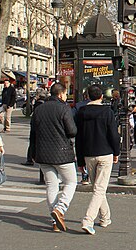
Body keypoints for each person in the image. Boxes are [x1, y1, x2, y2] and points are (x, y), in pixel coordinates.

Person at [28, 82, 77, 232]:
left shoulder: (39, 109)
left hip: (42, 152)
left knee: (51, 185)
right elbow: (72, 131)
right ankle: (60, 209)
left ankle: (54, 221)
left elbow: (33, 133)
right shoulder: (63, 108)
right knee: (71, 181)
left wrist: (33, 153)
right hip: (62, 152)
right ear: (61, 94)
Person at [74, 85, 120, 235]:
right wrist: (116, 152)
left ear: (87, 96)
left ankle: (105, 217)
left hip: (88, 153)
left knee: (97, 188)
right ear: (101, 97)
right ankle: (88, 220)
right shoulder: (107, 112)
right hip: (105, 152)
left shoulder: (81, 112)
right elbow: (113, 134)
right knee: (99, 189)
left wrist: (80, 160)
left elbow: (78, 138)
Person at [22, 88, 48, 166]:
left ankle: (30, 159)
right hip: (43, 125)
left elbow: (35, 115)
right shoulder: (46, 102)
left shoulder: (38, 103)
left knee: (33, 142)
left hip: (36, 125)